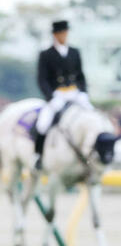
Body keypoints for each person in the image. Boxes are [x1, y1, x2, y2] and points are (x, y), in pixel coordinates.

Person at [34, 20, 92, 168]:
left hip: (74, 92)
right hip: (57, 94)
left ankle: (92, 156)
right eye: (61, 33)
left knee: (92, 116)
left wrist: (83, 91)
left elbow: (80, 75)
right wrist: (50, 97)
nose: (64, 36)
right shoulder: (46, 54)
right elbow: (42, 79)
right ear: (55, 35)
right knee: (43, 123)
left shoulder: (74, 52)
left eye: (65, 33)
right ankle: (38, 156)